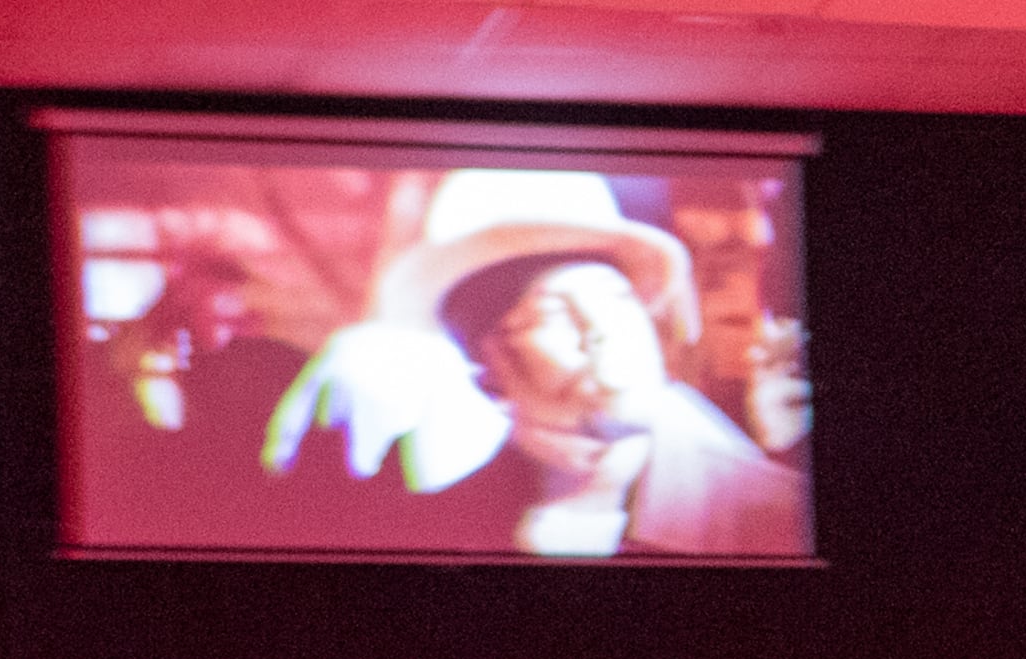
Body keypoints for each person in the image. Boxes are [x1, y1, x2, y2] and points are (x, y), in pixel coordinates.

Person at [264, 171, 805, 559]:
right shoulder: (442, 527)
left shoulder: (772, 521)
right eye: (553, 313)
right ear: (488, 369)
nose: (601, 332)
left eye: (617, 300)